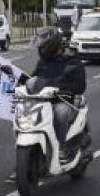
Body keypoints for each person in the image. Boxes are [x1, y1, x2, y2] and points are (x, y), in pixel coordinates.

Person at [21, 28, 87, 162]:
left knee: (60, 113)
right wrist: (20, 80)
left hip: (64, 101)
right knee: (24, 114)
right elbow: (34, 77)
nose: (41, 50)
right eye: (40, 47)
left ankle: (62, 147)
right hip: (43, 100)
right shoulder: (43, 62)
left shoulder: (71, 60)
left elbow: (80, 86)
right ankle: (23, 159)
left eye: (43, 47)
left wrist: (62, 90)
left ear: (52, 46)